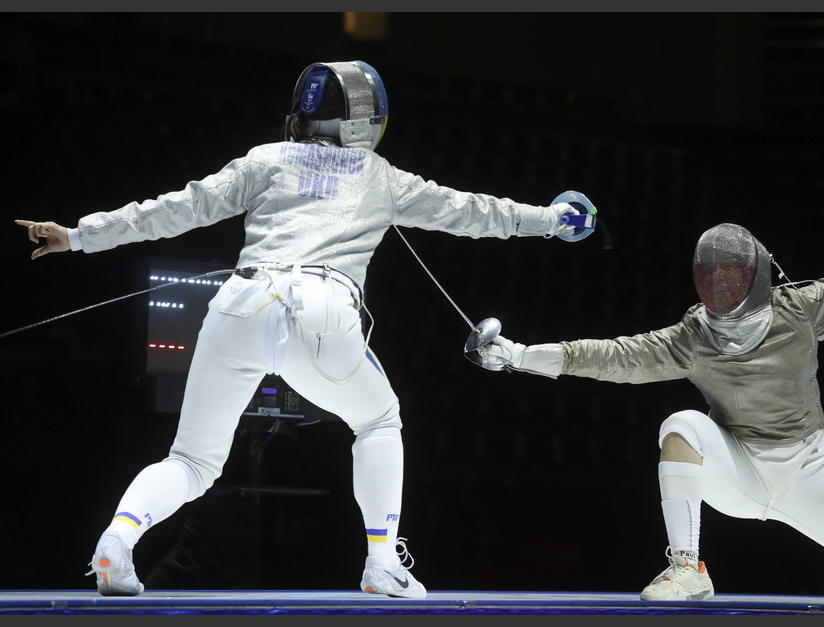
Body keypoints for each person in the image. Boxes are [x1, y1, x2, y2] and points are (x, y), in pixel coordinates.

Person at [15, 60, 589, 598]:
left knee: (192, 461)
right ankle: (382, 562)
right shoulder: (380, 175)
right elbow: (471, 211)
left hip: (239, 303)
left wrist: (79, 234)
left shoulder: (264, 159)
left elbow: (173, 209)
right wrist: (550, 221)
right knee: (379, 419)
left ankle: (116, 541)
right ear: (367, 122)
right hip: (322, 308)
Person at [471, 218, 824, 604]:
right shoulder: (694, 337)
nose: (721, 283)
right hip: (737, 470)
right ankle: (687, 568)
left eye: (731, 274)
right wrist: (520, 355)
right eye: (712, 274)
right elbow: (612, 355)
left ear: (755, 274)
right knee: (682, 426)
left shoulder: (802, 310)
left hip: (809, 470)